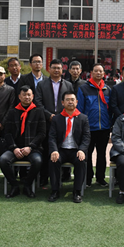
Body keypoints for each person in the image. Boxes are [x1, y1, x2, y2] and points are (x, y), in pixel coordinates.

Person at [0, 85, 46, 198]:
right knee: (3, 160)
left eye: (29, 95)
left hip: (32, 149)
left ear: (33, 96)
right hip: (15, 148)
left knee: (38, 161)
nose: (26, 97)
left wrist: (30, 147)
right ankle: (14, 186)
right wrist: (14, 148)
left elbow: (42, 133)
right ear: (19, 97)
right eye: (24, 95)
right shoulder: (12, 112)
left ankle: (27, 186)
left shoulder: (39, 112)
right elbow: (7, 133)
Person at [35, 59, 74, 187]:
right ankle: (44, 178)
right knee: (46, 149)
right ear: (49, 69)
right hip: (46, 122)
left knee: (63, 148)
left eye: (59, 68)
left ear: (62, 70)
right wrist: (49, 115)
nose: (56, 70)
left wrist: (61, 117)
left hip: (63, 122)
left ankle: (64, 176)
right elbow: (38, 103)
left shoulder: (68, 85)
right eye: (54, 68)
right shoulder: (41, 85)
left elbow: (71, 103)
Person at [47, 91, 90, 203]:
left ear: (76, 102)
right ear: (62, 102)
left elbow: (86, 137)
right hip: (61, 150)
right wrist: (54, 150)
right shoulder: (57, 119)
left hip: (76, 150)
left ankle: (77, 192)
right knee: (54, 160)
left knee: (81, 161)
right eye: (67, 100)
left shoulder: (83, 118)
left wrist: (82, 150)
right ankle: (55, 191)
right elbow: (52, 137)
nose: (70, 102)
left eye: (72, 100)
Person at [76, 63, 111, 188]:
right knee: (87, 154)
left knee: (102, 154)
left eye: (101, 71)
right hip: (88, 128)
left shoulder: (108, 89)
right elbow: (79, 109)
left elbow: (110, 108)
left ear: (104, 74)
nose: (98, 73)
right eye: (96, 71)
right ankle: (88, 179)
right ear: (91, 73)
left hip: (104, 128)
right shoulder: (83, 89)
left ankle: (100, 178)